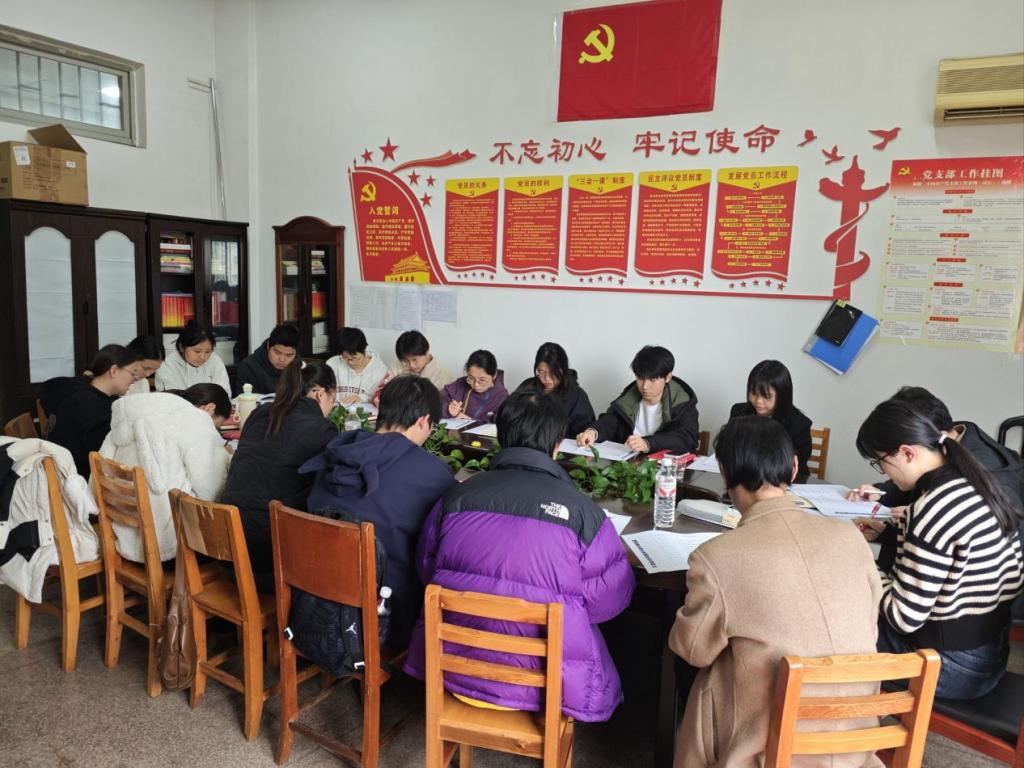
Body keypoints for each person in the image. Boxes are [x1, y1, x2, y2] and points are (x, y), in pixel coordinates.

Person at [405, 391, 635, 722]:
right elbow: (610, 599)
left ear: (501, 437)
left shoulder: (453, 499)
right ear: (557, 445)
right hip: (547, 687)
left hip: (454, 669)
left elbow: (427, 568)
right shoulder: (584, 515)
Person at [669, 416, 882, 768]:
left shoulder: (717, 556)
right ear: (794, 467)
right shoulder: (851, 537)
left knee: (713, 668)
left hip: (771, 748)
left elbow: (693, 650)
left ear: (724, 472)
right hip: (856, 741)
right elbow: (869, 624)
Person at [856, 399, 1023, 699]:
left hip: (952, 667)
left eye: (879, 461)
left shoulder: (933, 506)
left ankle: (839, 715)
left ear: (907, 453)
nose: (884, 472)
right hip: (991, 653)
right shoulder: (980, 482)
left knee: (835, 622)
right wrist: (899, 530)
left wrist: (862, 562)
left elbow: (902, 617)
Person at [300, 375, 456, 647]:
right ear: (424, 421)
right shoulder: (431, 473)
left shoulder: (339, 452)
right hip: (382, 614)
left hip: (314, 600)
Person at [219, 359, 338, 591]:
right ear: (321, 393)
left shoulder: (259, 413)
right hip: (273, 562)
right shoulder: (321, 429)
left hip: (229, 550)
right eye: (334, 398)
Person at [98, 384, 232, 563]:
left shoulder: (128, 417)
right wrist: (226, 459)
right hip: (170, 548)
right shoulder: (195, 420)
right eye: (216, 425)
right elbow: (211, 489)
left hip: (122, 539)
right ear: (209, 409)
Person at [577, 345, 698, 455]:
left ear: (668, 377)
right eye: (640, 378)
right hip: (627, 465)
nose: (645, 386)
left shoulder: (683, 403)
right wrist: (593, 432)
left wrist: (648, 443)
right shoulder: (627, 399)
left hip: (665, 468)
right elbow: (611, 421)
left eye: (653, 379)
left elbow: (687, 439)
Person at [41, 344, 138, 479]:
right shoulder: (91, 405)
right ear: (114, 371)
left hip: (58, 472)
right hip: (73, 480)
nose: (134, 381)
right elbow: (103, 455)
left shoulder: (78, 390)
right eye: (132, 374)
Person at [727, 359, 812, 481]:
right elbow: (729, 450)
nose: (758, 401)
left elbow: (793, 465)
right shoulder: (739, 412)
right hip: (743, 480)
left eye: (766, 396)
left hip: (784, 482)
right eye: (753, 393)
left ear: (782, 396)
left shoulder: (799, 424)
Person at [514, 342, 595, 439]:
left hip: (562, 447)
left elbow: (583, 433)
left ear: (563, 369)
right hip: (526, 444)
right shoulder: (528, 386)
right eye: (541, 372)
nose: (547, 378)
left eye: (553, 373)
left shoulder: (577, 395)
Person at [155, 321, 230, 396]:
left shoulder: (215, 360)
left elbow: (224, 393)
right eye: (197, 351)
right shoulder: (167, 365)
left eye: (208, 352)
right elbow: (170, 398)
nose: (203, 357)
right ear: (181, 347)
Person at [440, 349, 509, 423]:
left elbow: (503, 423)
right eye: (471, 378)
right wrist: (448, 409)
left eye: (482, 380)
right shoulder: (460, 384)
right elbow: (437, 400)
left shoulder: (501, 397)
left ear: (494, 375)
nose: (476, 384)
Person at [325, 326, 389, 406]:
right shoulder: (332, 364)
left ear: (364, 349)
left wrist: (361, 398)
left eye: (355, 358)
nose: (351, 362)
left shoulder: (379, 370)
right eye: (345, 358)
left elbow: (380, 398)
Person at [234, 323, 299, 395]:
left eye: (289, 355)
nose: (282, 359)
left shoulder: (301, 367)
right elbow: (245, 399)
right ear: (268, 346)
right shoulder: (248, 367)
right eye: (277, 353)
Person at [386, 330, 451, 390]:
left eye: (414, 360)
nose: (411, 365)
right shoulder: (398, 365)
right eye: (406, 361)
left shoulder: (443, 377)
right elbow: (385, 388)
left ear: (426, 352)